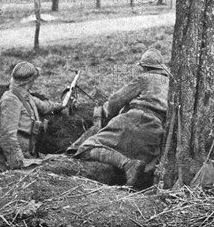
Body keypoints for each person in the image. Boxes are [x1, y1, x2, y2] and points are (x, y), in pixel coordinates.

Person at [68, 48, 170, 186]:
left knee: (86, 148)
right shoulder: (171, 83)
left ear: (145, 67)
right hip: (156, 131)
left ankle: (128, 164)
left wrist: (103, 113)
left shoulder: (143, 78)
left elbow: (116, 101)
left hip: (133, 120)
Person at [0, 61, 65, 171]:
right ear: (29, 81)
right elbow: (6, 136)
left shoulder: (25, 95)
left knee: (62, 161)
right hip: (16, 161)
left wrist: (62, 105)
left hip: (31, 156)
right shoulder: (10, 100)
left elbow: (45, 106)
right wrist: (19, 165)